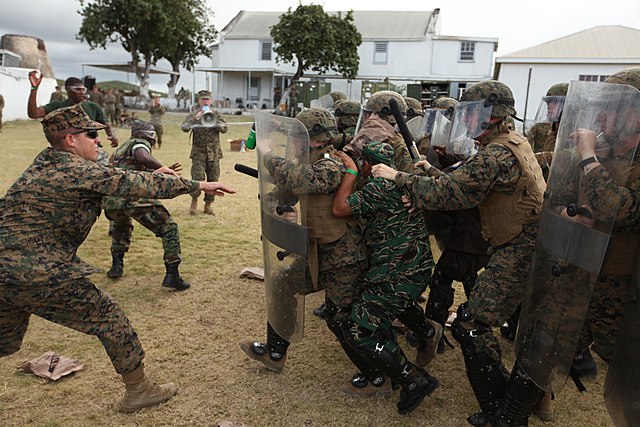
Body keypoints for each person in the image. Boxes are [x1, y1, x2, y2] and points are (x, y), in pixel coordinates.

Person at [0, 104, 235, 413]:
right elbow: (128, 183)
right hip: (35, 271)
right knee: (109, 318)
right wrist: (199, 184)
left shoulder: (45, 164)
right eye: (90, 134)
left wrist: (154, 171)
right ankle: (139, 390)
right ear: (70, 140)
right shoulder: (78, 169)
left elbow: (117, 177)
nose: (98, 140)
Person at [372, 80, 546, 426]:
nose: (467, 124)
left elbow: (453, 195)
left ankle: (505, 413)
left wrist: (398, 177)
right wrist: (431, 172)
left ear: (494, 116)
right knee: (476, 321)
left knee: (470, 324)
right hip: (518, 242)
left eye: (474, 115)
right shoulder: (511, 142)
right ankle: (507, 409)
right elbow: (469, 186)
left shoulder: (497, 153)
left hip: (519, 247)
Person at [240, 108, 375, 397]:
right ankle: (275, 354)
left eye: (297, 138)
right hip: (316, 250)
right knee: (282, 284)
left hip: (344, 256)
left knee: (342, 318)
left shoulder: (333, 162)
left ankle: (378, 375)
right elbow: (287, 190)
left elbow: (303, 180)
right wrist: (277, 204)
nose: (294, 143)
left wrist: (267, 153)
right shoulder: (310, 161)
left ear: (313, 138)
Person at [331, 140, 440, 414]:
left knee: (359, 328)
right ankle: (424, 336)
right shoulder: (402, 182)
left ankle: (413, 379)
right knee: (378, 313)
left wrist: (351, 173)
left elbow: (340, 209)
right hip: (412, 268)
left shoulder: (380, 187)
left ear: (368, 164)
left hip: (398, 272)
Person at [102, 120, 190, 291]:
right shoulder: (138, 143)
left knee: (121, 226)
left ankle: (116, 267)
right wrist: (164, 167)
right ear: (149, 135)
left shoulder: (119, 150)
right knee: (169, 227)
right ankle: (172, 275)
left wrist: (157, 171)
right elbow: (142, 156)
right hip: (131, 197)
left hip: (111, 202)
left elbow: (133, 171)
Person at [27, 71, 119, 150]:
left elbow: (107, 124)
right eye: (77, 89)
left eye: (83, 89)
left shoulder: (93, 107)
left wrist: (112, 135)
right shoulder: (57, 106)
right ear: (68, 90)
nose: (82, 92)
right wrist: (34, 89)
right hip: (67, 151)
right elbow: (34, 113)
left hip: (91, 150)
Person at [181, 89, 228, 215]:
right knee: (197, 178)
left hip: (214, 153)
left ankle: (208, 205)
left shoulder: (216, 114)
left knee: (213, 179)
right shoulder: (194, 114)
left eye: (207, 99)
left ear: (211, 100)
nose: (205, 101)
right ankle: (194, 201)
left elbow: (225, 129)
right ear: (199, 101)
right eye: (203, 99)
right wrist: (196, 119)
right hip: (199, 153)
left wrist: (215, 120)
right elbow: (184, 127)